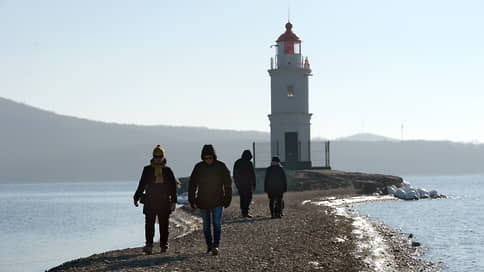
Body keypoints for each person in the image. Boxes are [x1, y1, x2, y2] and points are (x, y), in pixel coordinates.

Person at [133, 145, 178, 255]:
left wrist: (174, 201)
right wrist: (136, 197)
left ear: (163, 157)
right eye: (156, 156)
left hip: (164, 201)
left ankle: (164, 246)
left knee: (164, 225)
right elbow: (142, 184)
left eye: (160, 156)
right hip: (150, 201)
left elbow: (173, 187)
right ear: (153, 157)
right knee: (149, 224)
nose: (158, 158)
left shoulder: (168, 170)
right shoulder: (147, 169)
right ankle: (149, 245)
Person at [188, 144, 232, 255]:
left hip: (218, 200)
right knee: (206, 226)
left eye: (210, 158)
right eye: (206, 158)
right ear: (203, 157)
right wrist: (191, 199)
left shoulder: (221, 166)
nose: (208, 160)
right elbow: (192, 184)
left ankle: (216, 245)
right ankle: (209, 246)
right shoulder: (198, 167)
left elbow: (228, 184)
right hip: (203, 201)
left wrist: (228, 198)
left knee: (217, 223)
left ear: (214, 156)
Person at [233, 150, 256, 218]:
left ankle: (244, 212)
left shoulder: (237, 162)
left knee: (242, 198)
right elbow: (253, 174)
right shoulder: (249, 163)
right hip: (248, 184)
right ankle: (246, 211)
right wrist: (254, 184)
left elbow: (234, 174)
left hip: (240, 184)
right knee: (248, 198)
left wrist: (236, 183)